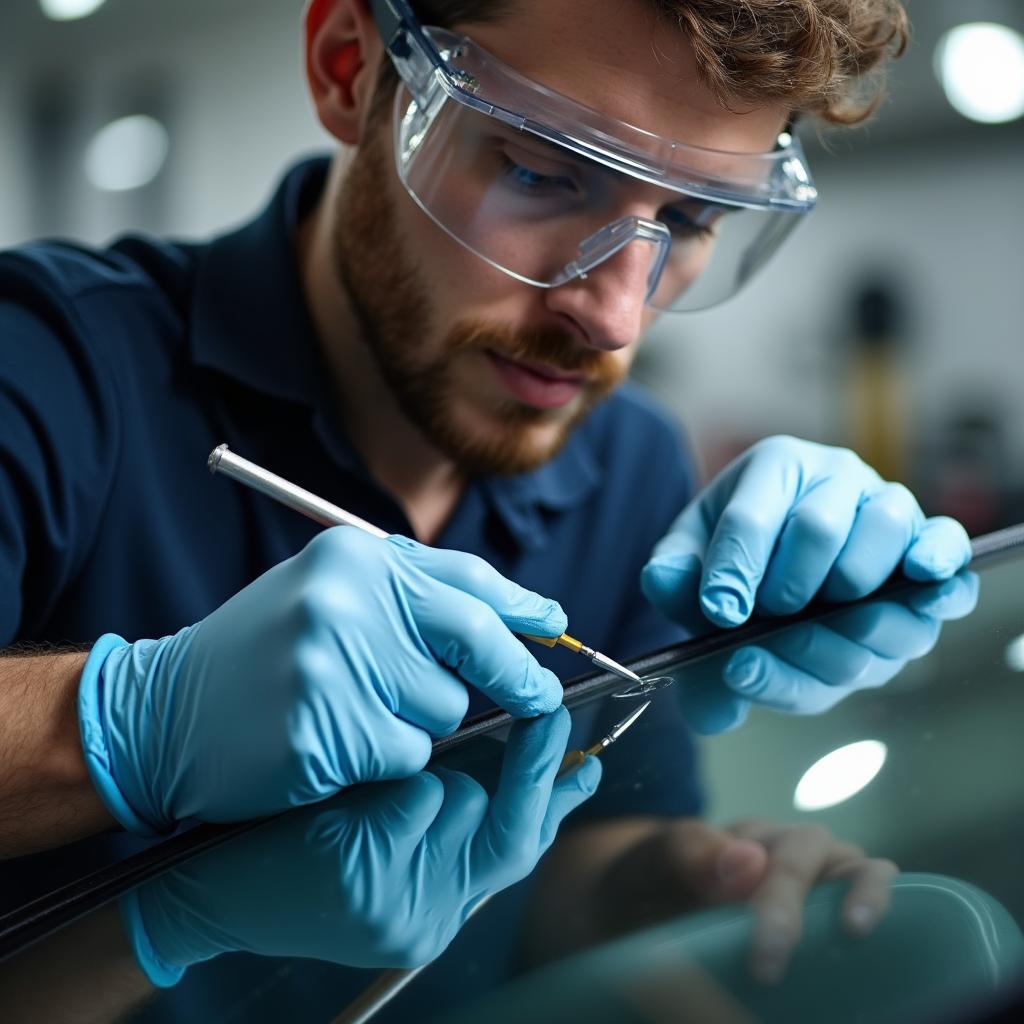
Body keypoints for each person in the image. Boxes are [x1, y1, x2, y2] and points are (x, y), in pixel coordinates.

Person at [0, 0, 971, 985]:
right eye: (539, 172)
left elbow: (564, 879)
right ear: (348, 69)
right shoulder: (47, 364)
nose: (612, 317)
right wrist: (127, 724)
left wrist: (703, 892)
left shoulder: (627, 459)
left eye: (690, 219)